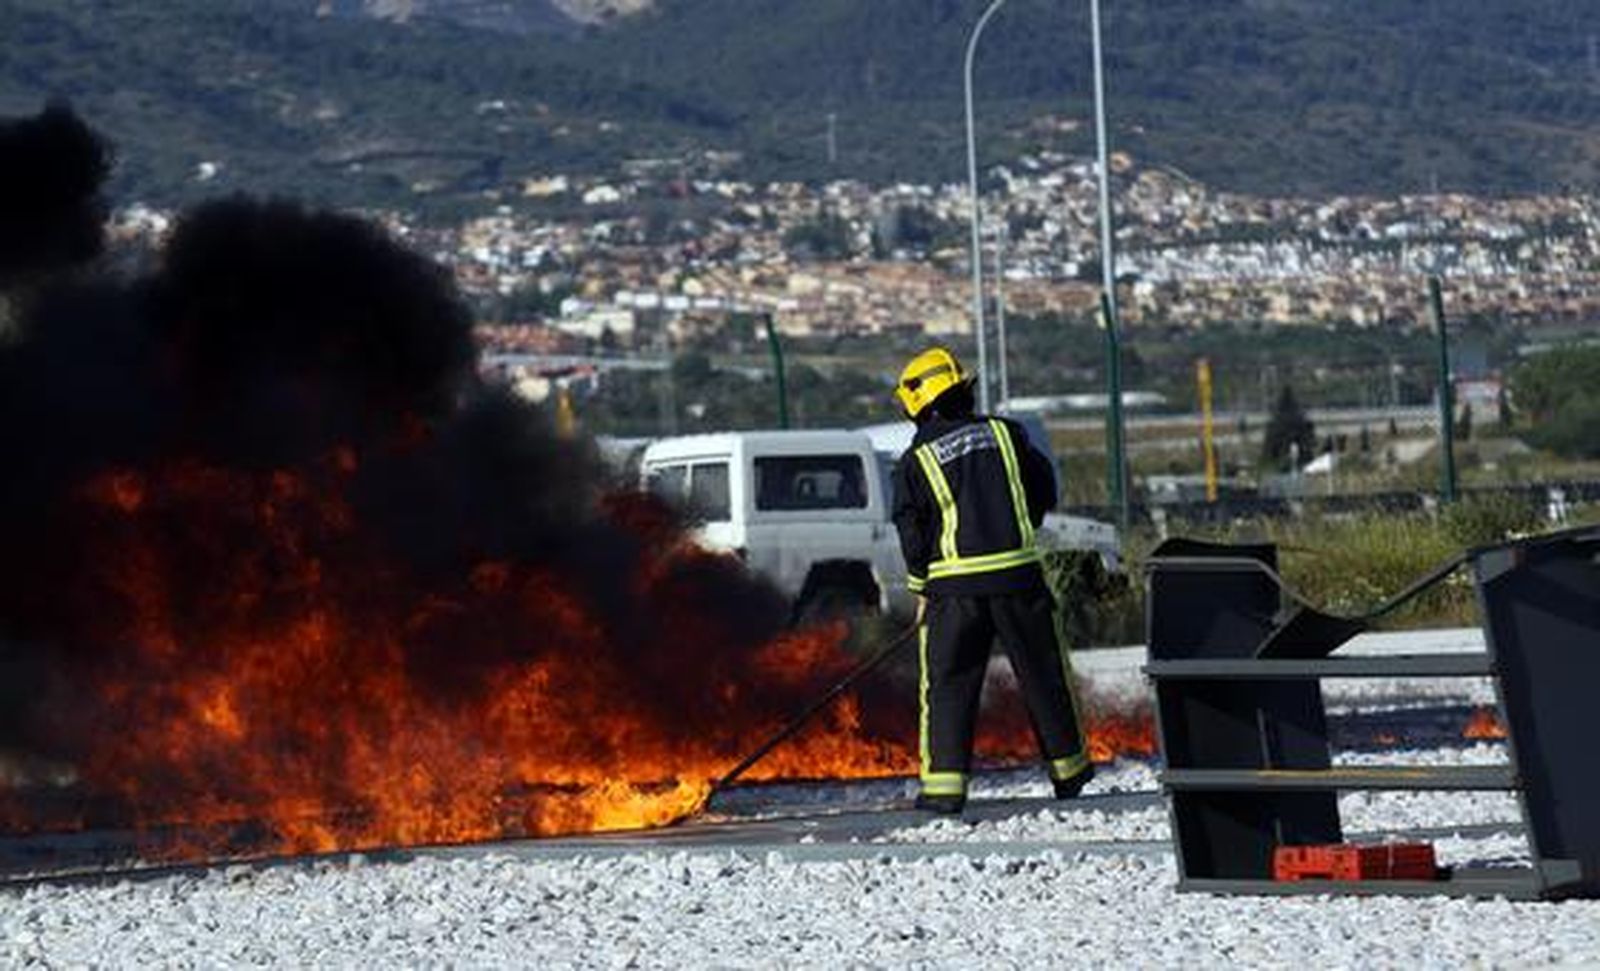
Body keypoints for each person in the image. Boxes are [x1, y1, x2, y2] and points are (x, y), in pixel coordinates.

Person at [889, 346, 1092, 814]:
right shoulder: (1008, 434)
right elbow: (1044, 490)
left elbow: (912, 529)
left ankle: (943, 791)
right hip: (1019, 577)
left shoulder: (916, 459)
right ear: (963, 389)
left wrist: (921, 584)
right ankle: (1070, 774)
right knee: (1045, 676)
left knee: (947, 685)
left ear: (918, 402)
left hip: (952, 592)